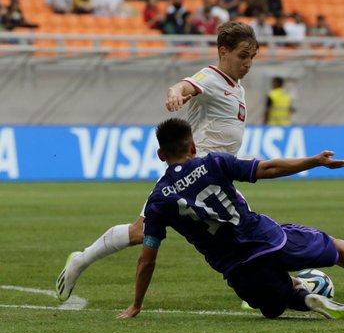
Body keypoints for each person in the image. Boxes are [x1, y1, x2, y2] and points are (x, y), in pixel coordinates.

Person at [117, 118, 344, 320]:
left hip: (236, 267)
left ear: (160, 155)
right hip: (267, 238)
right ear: (193, 146)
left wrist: (137, 305)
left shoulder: (158, 200)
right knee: (334, 246)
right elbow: (266, 169)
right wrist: (313, 162)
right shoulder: (213, 162)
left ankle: (308, 300)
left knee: (274, 305)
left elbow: (148, 257)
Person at [56, 22, 259, 302]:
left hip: (214, 178)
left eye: (252, 57)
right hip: (190, 174)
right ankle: (79, 261)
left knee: (241, 230)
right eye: (242, 55)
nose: (248, 63)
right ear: (223, 52)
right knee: (141, 232)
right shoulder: (211, 78)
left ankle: (261, 290)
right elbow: (184, 85)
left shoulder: (237, 87)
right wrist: (175, 93)